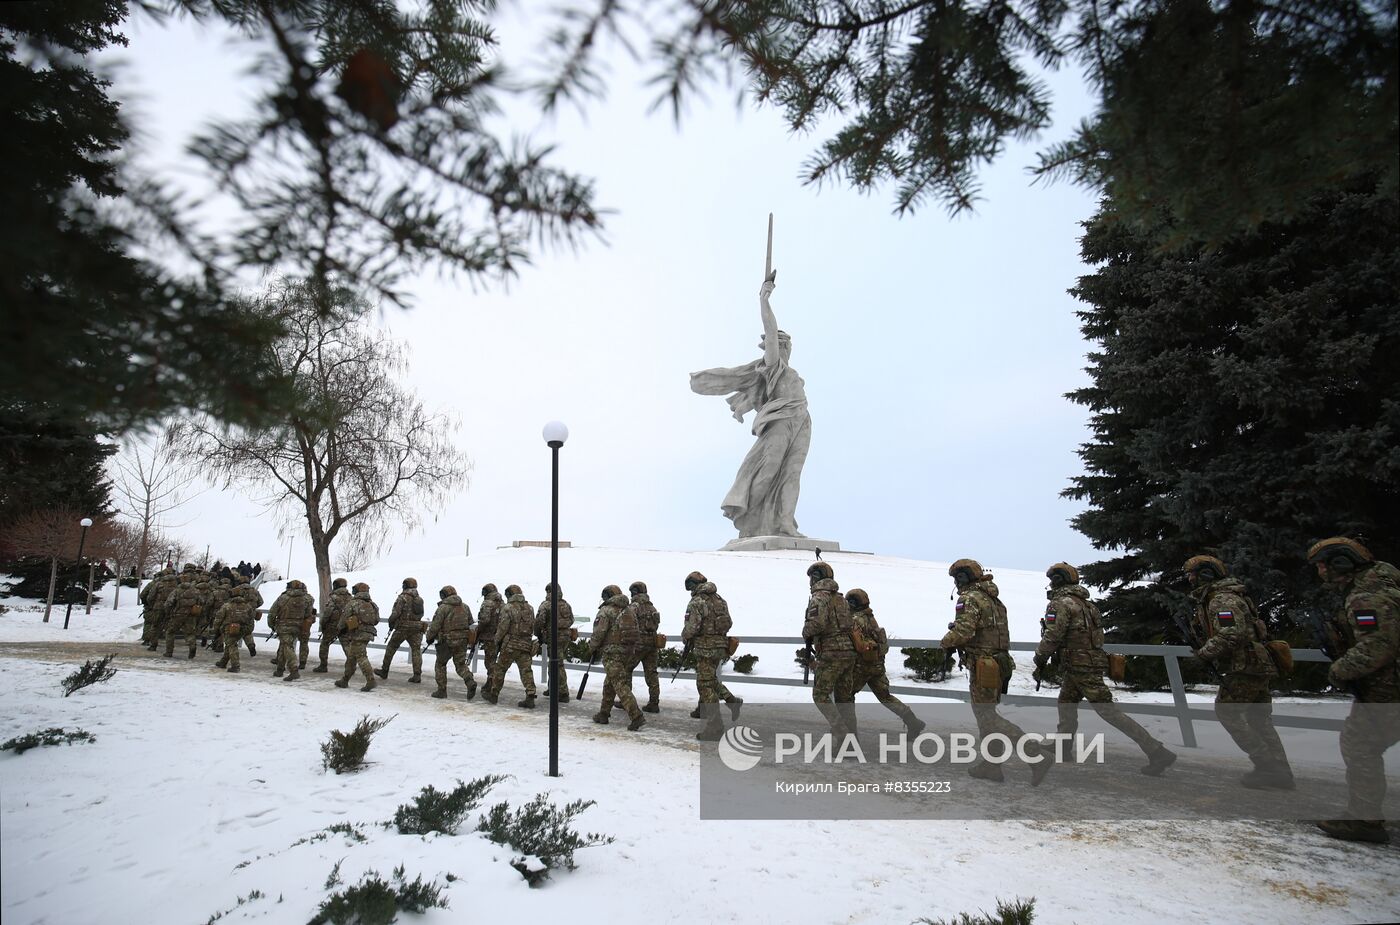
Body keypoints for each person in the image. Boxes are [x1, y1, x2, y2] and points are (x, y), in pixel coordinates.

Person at [689, 275, 811, 538]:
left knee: (792, 474)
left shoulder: (793, 374)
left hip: (802, 419)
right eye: (780, 344)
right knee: (767, 470)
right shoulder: (773, 367)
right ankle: (749, 517)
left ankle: (785, 523)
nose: (784, 348)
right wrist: (764, 300)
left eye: (787, 345)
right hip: (780, 421)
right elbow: (770, 332)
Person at [1034, 563, 1175, 777]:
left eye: (1052, 580)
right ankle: (1063, 746)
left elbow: (1053, 635)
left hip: (1080, 666)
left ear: (1058, 581)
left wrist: (1040, 656)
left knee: (1108, 711)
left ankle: (1156, 751)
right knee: (1066, 704)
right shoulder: (1088, 605)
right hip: (1085, 663)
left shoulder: (1060, 604)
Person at [1308, 538, 1400, 844]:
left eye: (1323, 565)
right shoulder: (1384, 586)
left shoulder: (1366, 597)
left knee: (1359, 744)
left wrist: (1340, 670)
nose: (1320, 571)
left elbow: (1378, 646)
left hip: (1388, 689)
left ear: (1341, 563)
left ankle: (1364, 819)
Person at [1186, 554, 1294, 789]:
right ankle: (1280, 771)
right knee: (1259, 720)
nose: (1190, 579)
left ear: (1206, 574)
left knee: (1228, 713)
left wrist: (1203, 654)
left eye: (1193, 574)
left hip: (1245, 666)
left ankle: (1268, 766)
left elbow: (1231, 634)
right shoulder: (1228, 596)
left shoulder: (1221, 600)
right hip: (1257, 665)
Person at [941, 558, 1042, 783]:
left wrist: (946, 642)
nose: (956, 582)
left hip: (984, 665)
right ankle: (991, 765)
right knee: (987, 716)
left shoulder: (969, 598)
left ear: (963, 577)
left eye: (957, 577)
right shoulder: (993, 599)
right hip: (998, 664)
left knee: (987, 716)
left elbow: (964, 631)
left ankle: (1036, 754)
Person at [846, 588, 924, 735]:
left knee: (845, 696)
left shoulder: (854, 620)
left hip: (862, 667)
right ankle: (912, 721)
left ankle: (846, 732)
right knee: (885, 697)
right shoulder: (871, 618)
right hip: (877, 665)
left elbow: (855, 644)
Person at [682, 571, 739, 741]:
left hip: (705, 648)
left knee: (704, 685)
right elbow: (729, 622)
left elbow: (691, 627)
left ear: (693, 585)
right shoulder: (720, 600)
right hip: (720, 647)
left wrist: (686, 637)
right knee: (710, 679)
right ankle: (731, 701)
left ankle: (715, 728)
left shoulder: (696, 602)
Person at [803, 562, 857, 736]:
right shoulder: (841, 599)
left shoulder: (819, 598)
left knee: (820, 695)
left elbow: (817, 624)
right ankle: (852, 739)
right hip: (849, 653)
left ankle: (841, 733)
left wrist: (806, 631)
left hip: (831, 653)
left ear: (815, 578)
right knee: (845, 699)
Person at [591, 585, 646, 731]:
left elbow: (599, 632)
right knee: (610, 682)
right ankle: (604, 713)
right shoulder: (628, 610)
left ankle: (636, 715)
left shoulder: (606, 610)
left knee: (619, 684)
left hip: (612, 652)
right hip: (628, 652)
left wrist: (592, 648)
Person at [484, 585, 538, 707]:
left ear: (509, 595)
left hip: (510, 645)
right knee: (526, 671)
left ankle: (494, 694)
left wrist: (496, 640)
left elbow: (503, 627)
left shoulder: (508, 608)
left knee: (500, 669)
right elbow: (532, 625)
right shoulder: (530, 608)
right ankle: (530, 695)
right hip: (525, 644)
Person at [425, 584, 477, 700]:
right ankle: (470, 681)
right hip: (462, 641)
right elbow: (470, 622)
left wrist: (429, 637)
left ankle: (441, 690)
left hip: (447, 641)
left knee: (440, 664)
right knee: (460, 665)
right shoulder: (465, 607)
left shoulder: (443, 608)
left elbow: (435, 626)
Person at [378, 577, 426, 682]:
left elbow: (396, 613)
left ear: (405, 585)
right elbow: (421, 614)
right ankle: (417, 675)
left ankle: (384, 671)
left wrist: (391, 622)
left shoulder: (402, 598)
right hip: (416, 628)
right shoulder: (419, 599)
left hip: (403, 627)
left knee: (391, 647)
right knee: (416, 651)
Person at [335, 582, 380, 691]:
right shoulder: (372, 604)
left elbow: (344, 618)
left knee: (361, 657)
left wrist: (340, 628)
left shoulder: (353, 603)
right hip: (368, 633)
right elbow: (376, 620)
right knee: (351, 658)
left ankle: (371, 680)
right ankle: (345, 680)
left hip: (357, 634)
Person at [535, 583, 574, 703]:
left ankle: (563, 692)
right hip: (565, 637)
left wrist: (539, 634)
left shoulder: (546, 605)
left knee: (557, 664)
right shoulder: (565, 605)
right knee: (554, 663)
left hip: (554, 637)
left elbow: (539, 622)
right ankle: (552, 688)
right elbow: (571, 620)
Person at [268, 579, 313, 681]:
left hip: (284, 626)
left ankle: (294, 670)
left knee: (287, 647)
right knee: (284, 645)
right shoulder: (307, 599)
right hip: (298, 627)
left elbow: (272, 613)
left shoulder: (283, 598)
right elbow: (308, 614)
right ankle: (280, 669)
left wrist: (272, 626)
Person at [628, 580, 662, 713]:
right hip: (652, 644)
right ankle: (654, 703)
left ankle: (627, 701)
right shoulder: (652, 608)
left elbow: (628, 625)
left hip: (637, 645)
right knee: (652, 673)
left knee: (626, 670)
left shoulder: (634, 607)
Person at [314, 578, 353, 672]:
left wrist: (323, 623)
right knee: (347, 646)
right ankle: (351, 665)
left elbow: (328, 612)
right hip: (346, 625)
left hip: (333, 625)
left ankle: (323, 666)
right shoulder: (351, 598)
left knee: (324, 644)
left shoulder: (333, 597)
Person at [477, 583, 504, 679]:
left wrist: (478, 630)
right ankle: (493, 681)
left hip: (489, 636)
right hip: (500, 636)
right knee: (495, 660)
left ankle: (492, 682)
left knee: (489, 662)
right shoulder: (502, 603)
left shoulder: (487, 603)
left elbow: (485, 620)